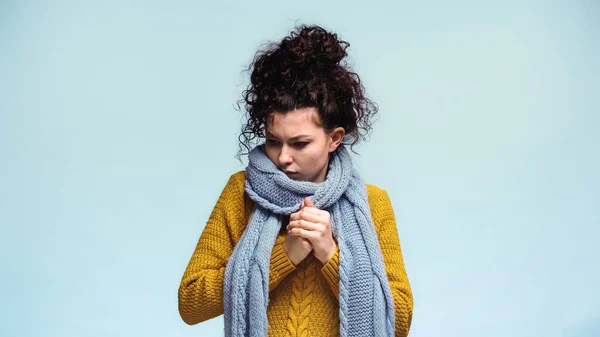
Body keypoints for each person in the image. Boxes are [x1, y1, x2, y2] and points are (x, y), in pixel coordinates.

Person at [178, 24, 413, 337]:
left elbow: (400, 322)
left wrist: (330, 254)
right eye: (274, 141)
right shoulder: (243, 192)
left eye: (300, 143)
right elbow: (190, 303)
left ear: (334, 138)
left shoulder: (372, 204)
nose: (283, 157)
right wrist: (282, 256)